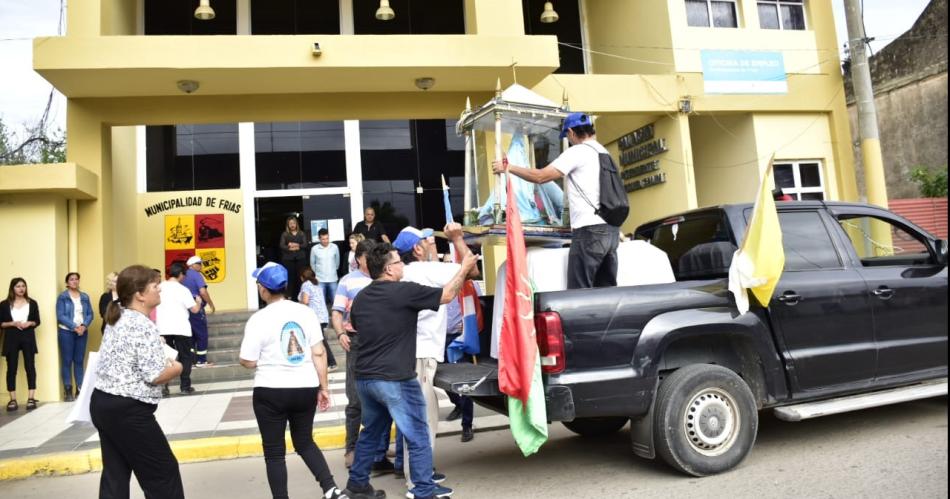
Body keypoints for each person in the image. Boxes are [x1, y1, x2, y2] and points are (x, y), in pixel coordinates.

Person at [343, 243, 477, 499]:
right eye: (398, 262)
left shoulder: (361, 297)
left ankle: (357, 485)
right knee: (418, 432)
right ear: (388, 269)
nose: (402, 266)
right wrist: (465, 268)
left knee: (370, 432)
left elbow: (357, 325)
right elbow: (447, 295)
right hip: (395, 378)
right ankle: (424, 488)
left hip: (365, 379)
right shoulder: (403, 291)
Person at [240, 262, 348, 499]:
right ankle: (330, 489)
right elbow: (319, 352)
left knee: (274, 452)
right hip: (304, 387)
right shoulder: (305, 313)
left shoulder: (258, 319)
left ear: (263, 289)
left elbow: (247, 360)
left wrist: (265, 360)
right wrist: (324, 388)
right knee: (305, 441)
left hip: (270, 390)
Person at [391, 224, 479, 483]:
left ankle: (418, 472)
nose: (431, 245)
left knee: (414, 416)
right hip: (421, 355)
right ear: (417, 249)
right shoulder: (425, 270)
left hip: (405, 353)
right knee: (423, 418)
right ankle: (418, 480)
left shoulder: (400, 275)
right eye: (427, 242)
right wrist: (457, 238)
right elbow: (472, 270)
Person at [492, 111, 619, 289]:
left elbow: (540, 176)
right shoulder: (603, 152)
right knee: (606, 289)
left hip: (589, 231)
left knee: (580, 292)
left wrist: (508, 167)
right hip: (611, 230)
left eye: (567, 136)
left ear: (571, 133)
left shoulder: (578, 152)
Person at [91, 265, 184, 499]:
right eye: (155, 286)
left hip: (103, 403)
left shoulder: (119, 315)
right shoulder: (142, 324)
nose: (159, 289)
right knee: (163, 473)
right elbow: (155, 374)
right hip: (128, 411)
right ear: (140, 295)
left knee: (115, 474)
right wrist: (178, 368)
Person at [332, 239, 393, 471]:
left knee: (384, 396)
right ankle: (351, 448)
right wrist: (340, 333)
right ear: (359, 259)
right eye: (369, 257)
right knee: (355, 398)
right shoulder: (347, 281)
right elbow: (337, 312)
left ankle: (379, 447)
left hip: (383, 342)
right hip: (356, 342)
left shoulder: (385, 277)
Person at [156, 261, 202, 395]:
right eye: (184, 275)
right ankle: (185, 386)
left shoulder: (159, 287)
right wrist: (198, 302)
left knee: (166, 357)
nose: (184, 277)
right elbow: (194, 310)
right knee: (185, 357)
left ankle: (164, 387)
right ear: (181, 274)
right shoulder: (183, 290)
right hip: (181, 328)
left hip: (163, 328)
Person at [442, 275, 475, 443]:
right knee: (441, 378)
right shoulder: (439, 283)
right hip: (441, 338)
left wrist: (469, 325)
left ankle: (467, 425)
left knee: (465, 382)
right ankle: (459, 404)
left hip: (461, 338)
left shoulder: (469, 284)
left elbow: (478, 307)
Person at [1, 278, 41, 412]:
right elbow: (1, 323)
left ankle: (31, 398)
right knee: (11, 368)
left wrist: (30, 323)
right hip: (11, 337)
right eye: (18, 286)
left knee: (30, 366)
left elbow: (37, 321)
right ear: (12, 288)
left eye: (23, 286)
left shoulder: (32, 303)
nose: (21, 288)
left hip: (28, 336)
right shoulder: (4, 304)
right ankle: (12, 399)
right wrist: (12, 323)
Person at [56, 272, 94, 402]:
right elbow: (60, 315)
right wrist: (74, 327)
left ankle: (79, 389)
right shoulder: (63, 297)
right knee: (67, 361)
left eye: (76, 279)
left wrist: (84, 326)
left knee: (79, 360)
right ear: (67, 282)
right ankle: (68, 389)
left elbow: (90, 314)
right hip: (66, 332)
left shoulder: (84, 297)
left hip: (82, 332)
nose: (74, 281)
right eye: (71, 279)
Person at [299, 267, 337, 371]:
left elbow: (305, 301)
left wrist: (298, 305)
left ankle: (332, 362)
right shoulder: (317, 285)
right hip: (322, 316)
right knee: (318, 340)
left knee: (320, 340)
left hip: (314, 317)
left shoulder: (306, 285)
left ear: (302, 278)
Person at [183, 255, 216, 367]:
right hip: (195, 305)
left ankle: (192, 360)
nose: (201, 266)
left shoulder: (183, 275)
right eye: (199, 264)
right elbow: (202, 292)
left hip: (185, 307)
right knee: (201, 334)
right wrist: (210, 303)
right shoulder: (196, 275)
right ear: (192, 265)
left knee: (191, 334)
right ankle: (201, 360)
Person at [310, 228, 340, 311]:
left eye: (327, 238)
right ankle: (323, 317)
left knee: (335, 301)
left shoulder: (335, 247)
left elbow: (337, 261)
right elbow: (312, 263)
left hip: (333, 278)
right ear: (319, 239)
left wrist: (333, 270)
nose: (326, 241)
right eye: (323, 239)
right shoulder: (314, 249)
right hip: (320, 279)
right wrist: (317, 273)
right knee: (320, 301)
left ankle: (335, 316)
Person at [280, 216, 309, 300]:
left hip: (300, 259)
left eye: (294, 223)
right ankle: (290, 298)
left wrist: (296, 245)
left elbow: (305, 244)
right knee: (290, 278)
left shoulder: (301, 233)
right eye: (290, 223)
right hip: (288, 260)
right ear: (288, 225)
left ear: (296, 224)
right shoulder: (285, 234)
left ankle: (301, 297)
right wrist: (290, 248)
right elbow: (282, 245)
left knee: (300, 277)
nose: (292, 225)